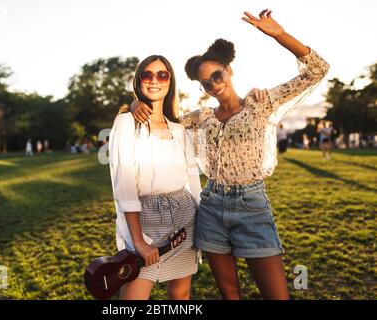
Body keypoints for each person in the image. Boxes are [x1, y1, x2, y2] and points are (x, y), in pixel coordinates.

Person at [131, 9, 329, 299]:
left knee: (277, 295)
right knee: (229, 294)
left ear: (229, 70)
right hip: (211, 208)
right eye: (205, 83)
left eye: (217, 75)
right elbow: (161, 122)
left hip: (252, 206)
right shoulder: (201, 118)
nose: (213, 85)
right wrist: (135, 103)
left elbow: (317, 70)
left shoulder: (259, 104)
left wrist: (280, 35)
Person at [109, 55, 203, 300]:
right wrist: (138, 241)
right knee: (133, 298)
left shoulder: (179, 130)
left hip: (185, 218)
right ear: (139, 80)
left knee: (180, 296)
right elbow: (125, 184)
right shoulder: (126, 123)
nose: (154, 80)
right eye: (147, 74)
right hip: (146, 219)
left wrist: (203, 224)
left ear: (170, 81)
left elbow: (192, 180)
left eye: (162, 75)